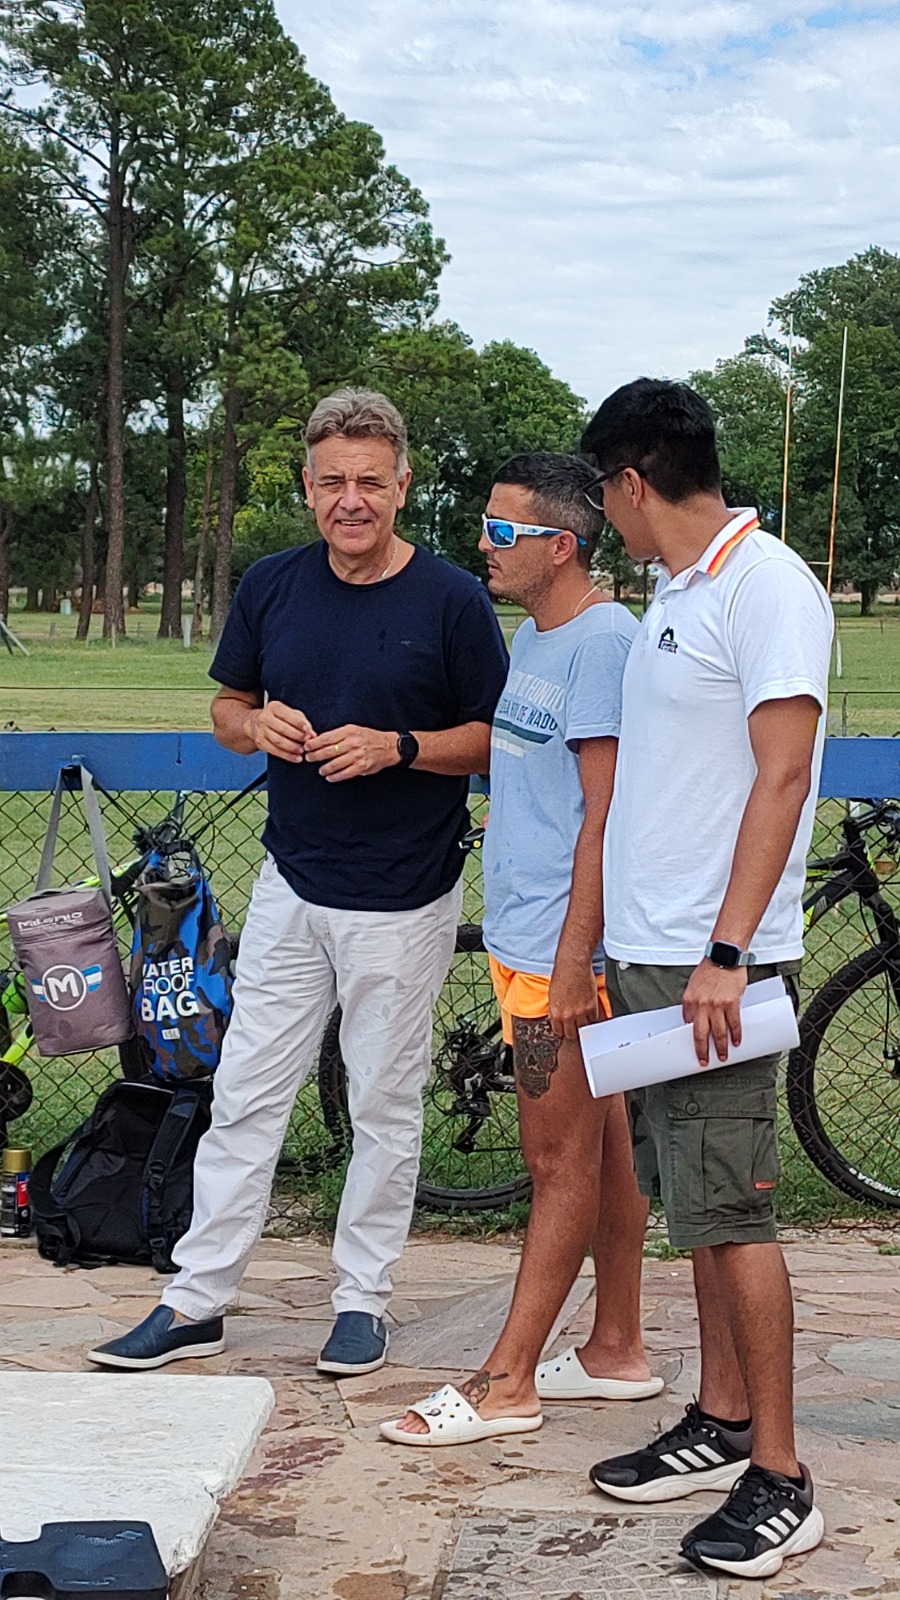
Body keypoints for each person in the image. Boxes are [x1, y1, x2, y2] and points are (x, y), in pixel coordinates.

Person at [88, 388, 509, 1378]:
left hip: (405, 897)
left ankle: (361, 1301)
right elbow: (227, 707)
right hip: (292, 883)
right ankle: (196, 1300)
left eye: (371, 481)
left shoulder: (452, 599)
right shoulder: (273, 584)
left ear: (403, 485)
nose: (351, 500)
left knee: (382, 1105)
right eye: (332, 482)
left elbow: (498, 738)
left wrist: (401, 746)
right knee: (243, 1094)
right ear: (308, 488)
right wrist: (254, 724)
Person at [580, 379, 833, 1580]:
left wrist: (729, 950)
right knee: (691, 1199)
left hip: (714, 962)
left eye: (605, 493)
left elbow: (785, 774)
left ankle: (781, 1475)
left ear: (634, 481)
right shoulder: (676, 590)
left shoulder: (766, 584)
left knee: (734, 1213)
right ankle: (723, 1416)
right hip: (652, 953)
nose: (606, 515)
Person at [381, 451, 661, 1448]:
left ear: (562, 545)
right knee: (605, 1143)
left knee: (555, 1161)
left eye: (503, 531)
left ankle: (506, 1382)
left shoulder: (604, 643)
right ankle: (616, 1347)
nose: (484, 545)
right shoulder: (538, 636)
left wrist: (578, 961)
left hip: (560, 954)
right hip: (528, 936)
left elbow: (606, 812)